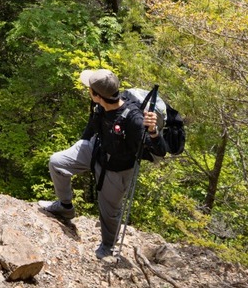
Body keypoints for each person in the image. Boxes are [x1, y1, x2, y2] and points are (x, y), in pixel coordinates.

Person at [38, 68, 167, 259]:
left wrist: (153, 131)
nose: (88, 90)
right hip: (96, 149)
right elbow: (92, 126)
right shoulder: (101, 105)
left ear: (97, 95)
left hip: (118, 168)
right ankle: (65, 207)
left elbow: (160, 151)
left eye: (90, 89)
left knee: (110, 213)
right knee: (57, 162)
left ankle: (108, 245)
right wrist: (82, 146)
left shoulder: (133, 119)